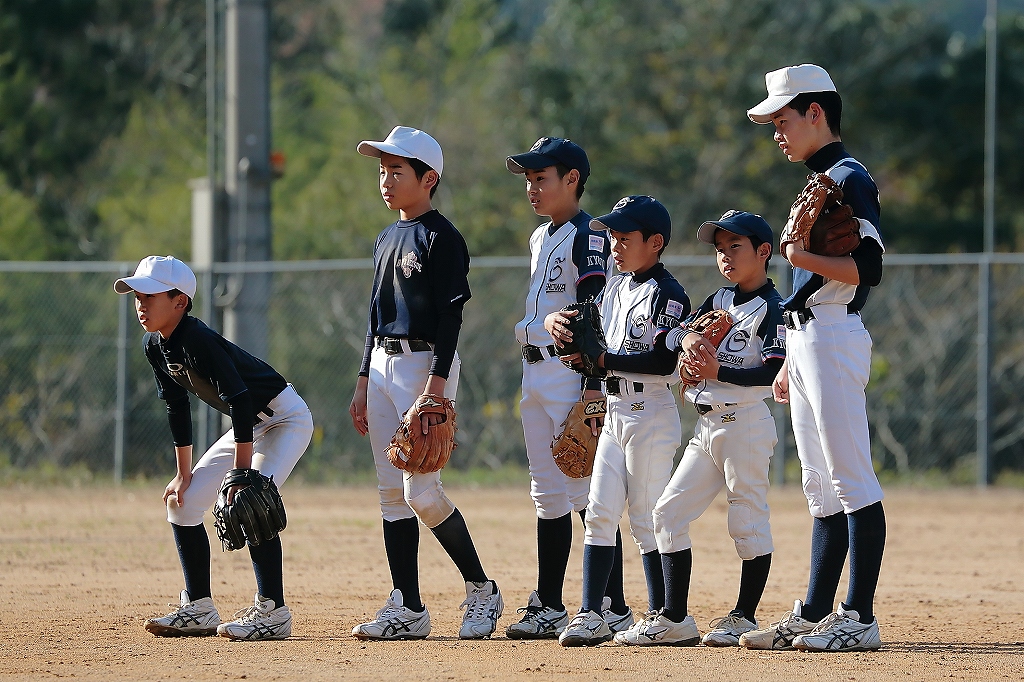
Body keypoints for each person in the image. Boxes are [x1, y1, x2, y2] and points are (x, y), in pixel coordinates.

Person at [739, 64, 886, 652]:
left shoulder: (850, 177)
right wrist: (786, 360)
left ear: (815, 114)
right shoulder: (817, 179)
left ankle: (860, 615)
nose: (776, 130)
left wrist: (801, 254)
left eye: (783, 118)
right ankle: (816, 609)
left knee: (852, 480)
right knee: (819, 486)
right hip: (804, 339)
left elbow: (869, 269)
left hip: (834, 332)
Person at [347, 126, 503, 641]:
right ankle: (408, 607)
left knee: (420, 489)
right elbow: (375, 314)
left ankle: (481, 588)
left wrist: (436, 385)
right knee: (391, 493)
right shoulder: (385, 237)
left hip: (424, 366)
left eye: (397, 170)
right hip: (384, 362)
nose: (386, 180)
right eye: (382, 170)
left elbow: (451, 318)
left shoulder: (443, 237)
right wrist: (364, 378)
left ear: (428, 177)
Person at [614, 210, 786, 646]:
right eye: (720, 248)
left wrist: (717, 368)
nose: (725, 256)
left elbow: (771, 374)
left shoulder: (775, 309)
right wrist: (692, 343)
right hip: (706, 426)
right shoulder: (719, 300)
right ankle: (674, 619)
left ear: (764, 252)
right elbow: (686, 334)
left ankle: (744, 616)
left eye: (736, 247)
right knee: (667, 514)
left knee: (746, 521)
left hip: (744, 424)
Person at [119, 255, 314, 641]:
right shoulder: (155, 345)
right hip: (251, 424)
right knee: (184, 502)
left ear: (180, 302)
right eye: (137, 295)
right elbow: (177, 405)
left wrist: (242, 477)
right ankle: (198, 606)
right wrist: (182, 473)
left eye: (151, 296)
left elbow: (240, 401)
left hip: (285, 418)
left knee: (250, 502)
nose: (141, 304)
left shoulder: (198, 339)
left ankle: (272, 612)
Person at [545, 196, 690, 647]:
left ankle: (665, 617)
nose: (615, 245)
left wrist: (604, 358)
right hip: (614, 412)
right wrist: (559, 323)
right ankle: (593, 613)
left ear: (655, 242)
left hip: (651, 413)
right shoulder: (614, 286)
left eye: (625, 238)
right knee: (600, 513)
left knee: (646, 518)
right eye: (611, 236)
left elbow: (666, 362)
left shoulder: (669, 294)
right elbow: (586, 326)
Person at [503, 137, 631, 639]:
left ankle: (611, 603)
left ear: (572, 179)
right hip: (534, 370)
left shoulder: (588, 234)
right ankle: (551, 603)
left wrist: (593, 386)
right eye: (530, 181)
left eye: (543, 178)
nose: (533, 189)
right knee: (547, 493)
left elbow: (592, 310)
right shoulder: (540, 237)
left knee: (583, 486)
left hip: (568, 373)